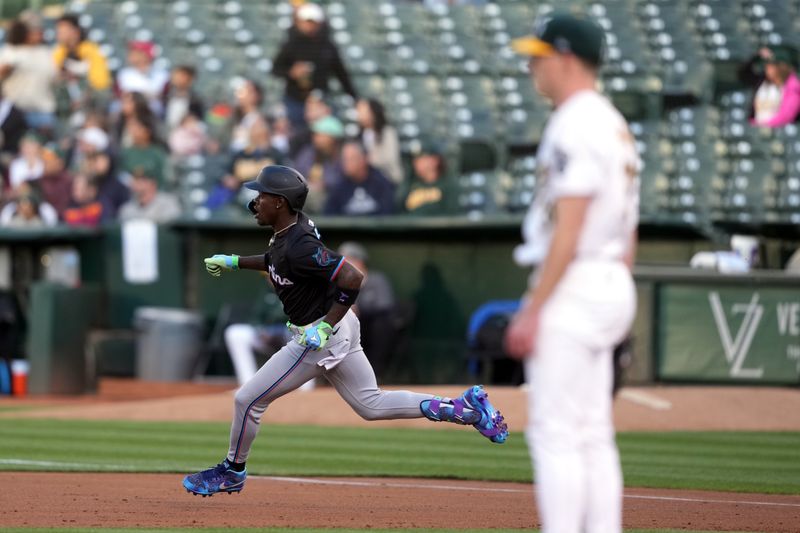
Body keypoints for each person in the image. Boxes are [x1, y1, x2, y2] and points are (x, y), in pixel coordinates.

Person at [181, 165, 508, 497]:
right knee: (371, 405)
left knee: (247, 400)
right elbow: (276, 260)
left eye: (261, 195)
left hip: (320, 333)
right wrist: (235, 261)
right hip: (338, 326)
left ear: (279, 202)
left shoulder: (299, 242)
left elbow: (352, 277)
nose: (255, 202)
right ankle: (465, 410)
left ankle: (232, 471)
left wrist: (325, 326)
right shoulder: (288, 232)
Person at [506, 13, 639, 533]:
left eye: (539, 56)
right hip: (607, 278)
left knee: (555, 433)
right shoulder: (611, 121)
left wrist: (534, 307)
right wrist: (618, 291)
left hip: (576, 280)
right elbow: (627, 226)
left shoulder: (575, 122)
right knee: (593, 433)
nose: (531, 66)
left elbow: (571, 223)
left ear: (565, 58)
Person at [272, 3, 358, 129]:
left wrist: (354, 97)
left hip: (320, 101)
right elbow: (276, 69)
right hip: (296, 100)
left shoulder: (327, 46)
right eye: (307, 21)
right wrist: (292, 72)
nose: (309, 25)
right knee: (297, 135)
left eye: (313, 22)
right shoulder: (291, 44)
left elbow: (341, 73)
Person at [337, 241, 398, 381]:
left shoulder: (377, 279)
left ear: (359, 262)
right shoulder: (340, 282)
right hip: (350, 326)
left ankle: (376, 373)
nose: (342, 266)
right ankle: (342, 376)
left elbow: (384, 305)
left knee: (381, 324)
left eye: (347, 260)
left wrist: (360, 307)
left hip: (373, 325)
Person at [0, 18, 57, 132]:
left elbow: (55, 77)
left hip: (42, 110)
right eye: (33, 31)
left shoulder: (46, 52)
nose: (38, 34)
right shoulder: (10, 51)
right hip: (14, 110)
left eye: (39, 31)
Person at [325, 141, 396, 216]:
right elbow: (329, 214)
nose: (346, 163)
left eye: (351, 159)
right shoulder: (339, 186)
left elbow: (388, 214)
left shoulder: (381, 184)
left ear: (364, 159)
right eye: (344, 159)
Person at [291, 115, 345, 213]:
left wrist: (325, 184)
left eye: (320, 135)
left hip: (334, 198)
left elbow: (343, 180)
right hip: (307, 197)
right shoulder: (308, 152)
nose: (315, 138)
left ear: (332, 138)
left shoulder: (343, 154)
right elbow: (295, 174)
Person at [356, 98, 404, 185]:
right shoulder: (360, 136)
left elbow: (390, 158)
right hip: (370, 183)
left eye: (363, 110)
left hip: (390, 179)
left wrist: (368, 161)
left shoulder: (388, 132)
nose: (359, 114)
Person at [115, 41, 169, 115]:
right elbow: (121, 96)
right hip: (130, 116)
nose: (130, 55)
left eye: (135, 52)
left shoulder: (161, 75)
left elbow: (163, 96)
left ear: (144, 54)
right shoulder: (124, 74)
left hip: (154, 116)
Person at [403, 142, 450, 215]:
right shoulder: (409, 185)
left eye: (421, 158)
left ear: (435, 160)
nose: (415, 162)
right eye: (414, 159)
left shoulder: (449, 185)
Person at [162, 65, 204, 133]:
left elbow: (198, 118)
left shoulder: (195, 100)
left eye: (182, 76)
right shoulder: (165, 93)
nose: (177, 78)